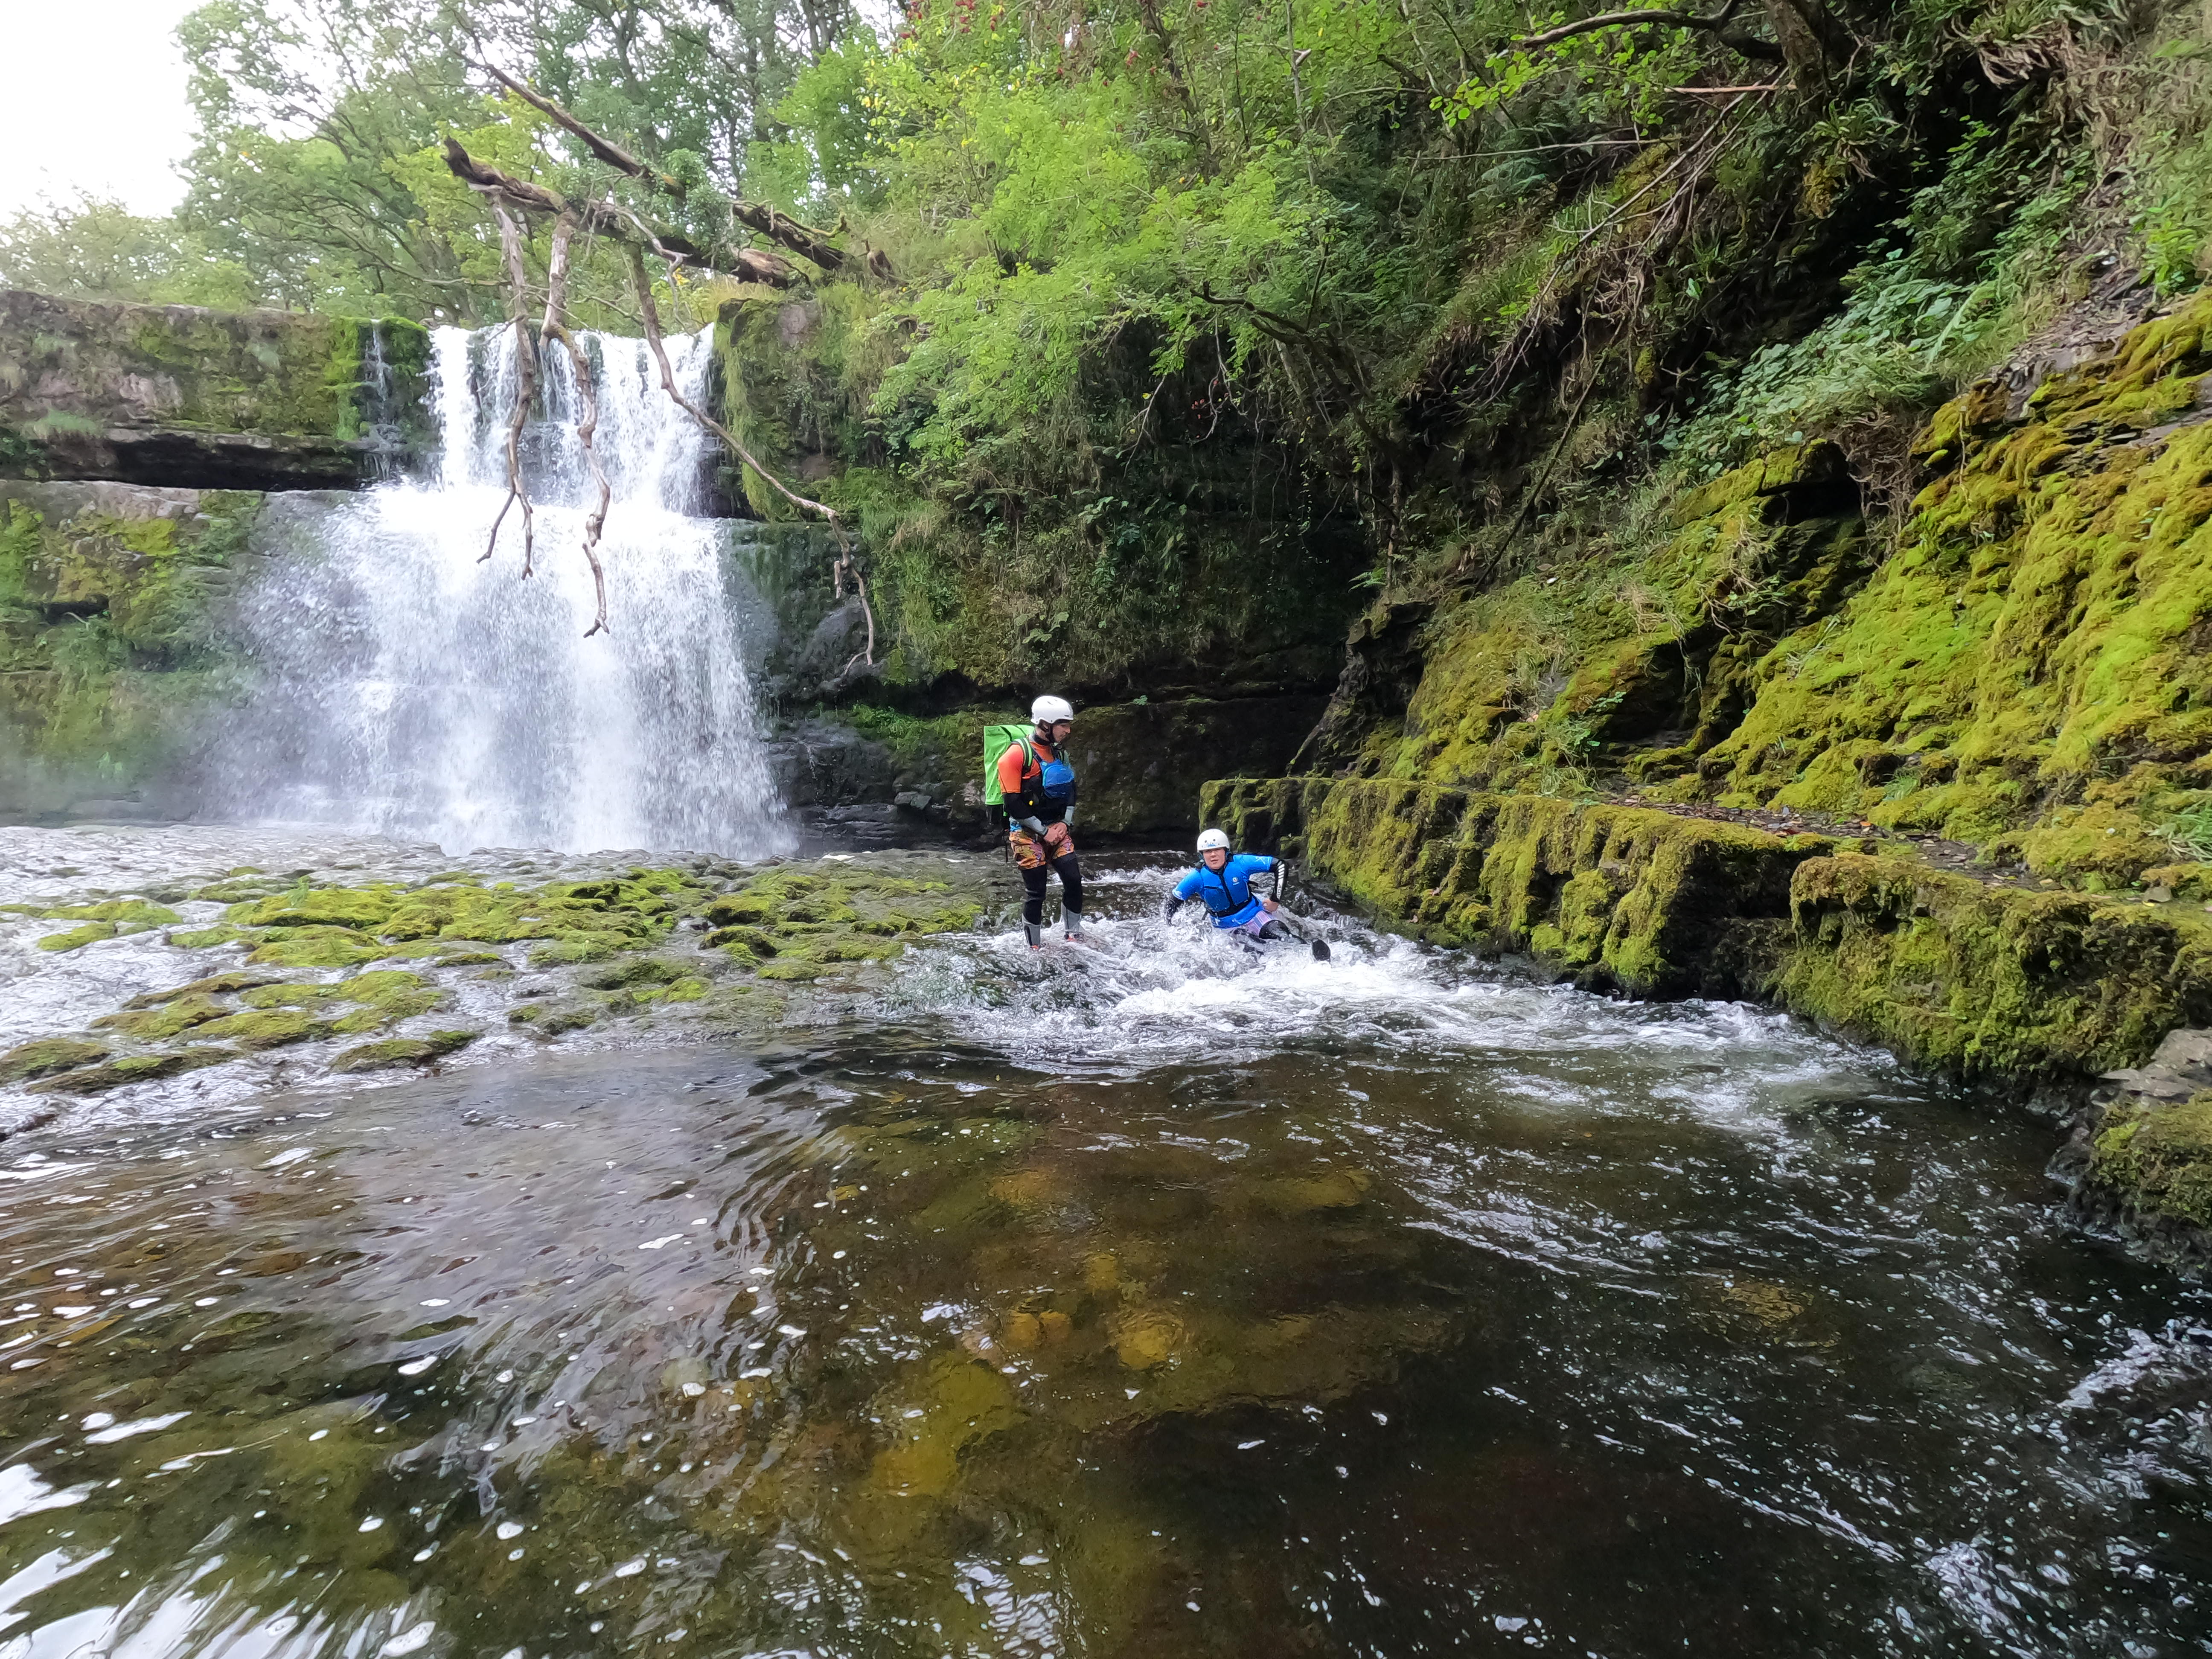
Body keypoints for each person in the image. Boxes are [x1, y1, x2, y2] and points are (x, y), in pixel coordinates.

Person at [999, 694, 1083, 949]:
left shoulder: (1060, 755)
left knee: (1074, 881)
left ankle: (1072, 936)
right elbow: (1012, 803)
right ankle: (1034, 947)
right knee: (1037, 893)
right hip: (1026, 833)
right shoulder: (1014, 756)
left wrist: (1065, 824)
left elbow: (1071, 791)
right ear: (1046, 724)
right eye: (1063, 725)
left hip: (1056, 829)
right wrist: (1043, 831)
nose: (1068, 730)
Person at [1162, 828, 1302, 949]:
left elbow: (1280, 865)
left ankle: (1311, 951)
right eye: (1208, 851)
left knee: (1282, 935)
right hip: (1227, 926)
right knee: (1254, 945)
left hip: (1254, 913)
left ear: (1226, 851)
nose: (1213, 855)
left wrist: (1275, 900)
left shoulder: (1241, 863)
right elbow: (1173, 903)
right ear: (1201, 855)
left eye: (1217, 849)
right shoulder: (1196, 878)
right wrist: (1170, 931)